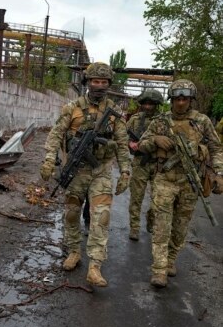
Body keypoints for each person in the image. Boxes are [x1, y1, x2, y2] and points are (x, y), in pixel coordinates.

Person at [40, 62, 131, 287]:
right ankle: (73, 251)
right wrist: (50, 159)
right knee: (71, 214)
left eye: (103, 82)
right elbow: (55, 134)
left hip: (100, 171)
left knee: (100, 217)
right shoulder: (72, 108)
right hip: (76, 170)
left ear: (109, 84)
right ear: (87, 83)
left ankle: (95, 266)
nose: (99, 86)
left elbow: (121, 143)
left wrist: (126, 171)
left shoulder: (115, 113)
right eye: (95, 81)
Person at [138, 79, 223, 288]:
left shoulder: (202, 121)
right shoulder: (160, 121)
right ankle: (158, 269)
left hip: (190, 180)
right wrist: (156, 140)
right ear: (171, 100)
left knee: (180, 226)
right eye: (177, 99)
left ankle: (170, 259)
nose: (181, 103)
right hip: (164, 179)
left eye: (185, 99)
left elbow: (216, 148)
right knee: (162, 225)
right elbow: (141, 144)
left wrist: (219, 173)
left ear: (191, 100)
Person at [126, 89, 163, 241]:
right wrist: (130, 143)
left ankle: (152, 219)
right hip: (140, 162)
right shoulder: (135, 119)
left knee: (159, 199)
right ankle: (134, 227)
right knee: (136, 197)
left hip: (158, 164)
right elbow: (122, 136)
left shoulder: (163, 120)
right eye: (145, 103)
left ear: (157, 105)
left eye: (151, 104)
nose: (148, 107)